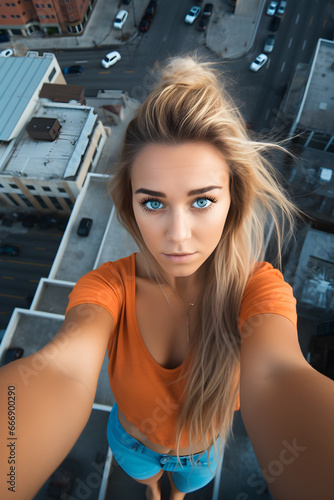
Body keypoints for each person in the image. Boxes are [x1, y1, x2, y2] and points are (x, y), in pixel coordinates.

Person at [0, 55, 333, 500]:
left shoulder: (258, 291)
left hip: (199, 456)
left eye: (201, 201)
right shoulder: (108, 288)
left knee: (182, 491)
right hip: (132, 442)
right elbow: (61, 370)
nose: (177, 236)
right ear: (130, 207)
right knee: (149, 487)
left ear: (233, 199)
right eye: (153, 203)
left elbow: (277, 376)